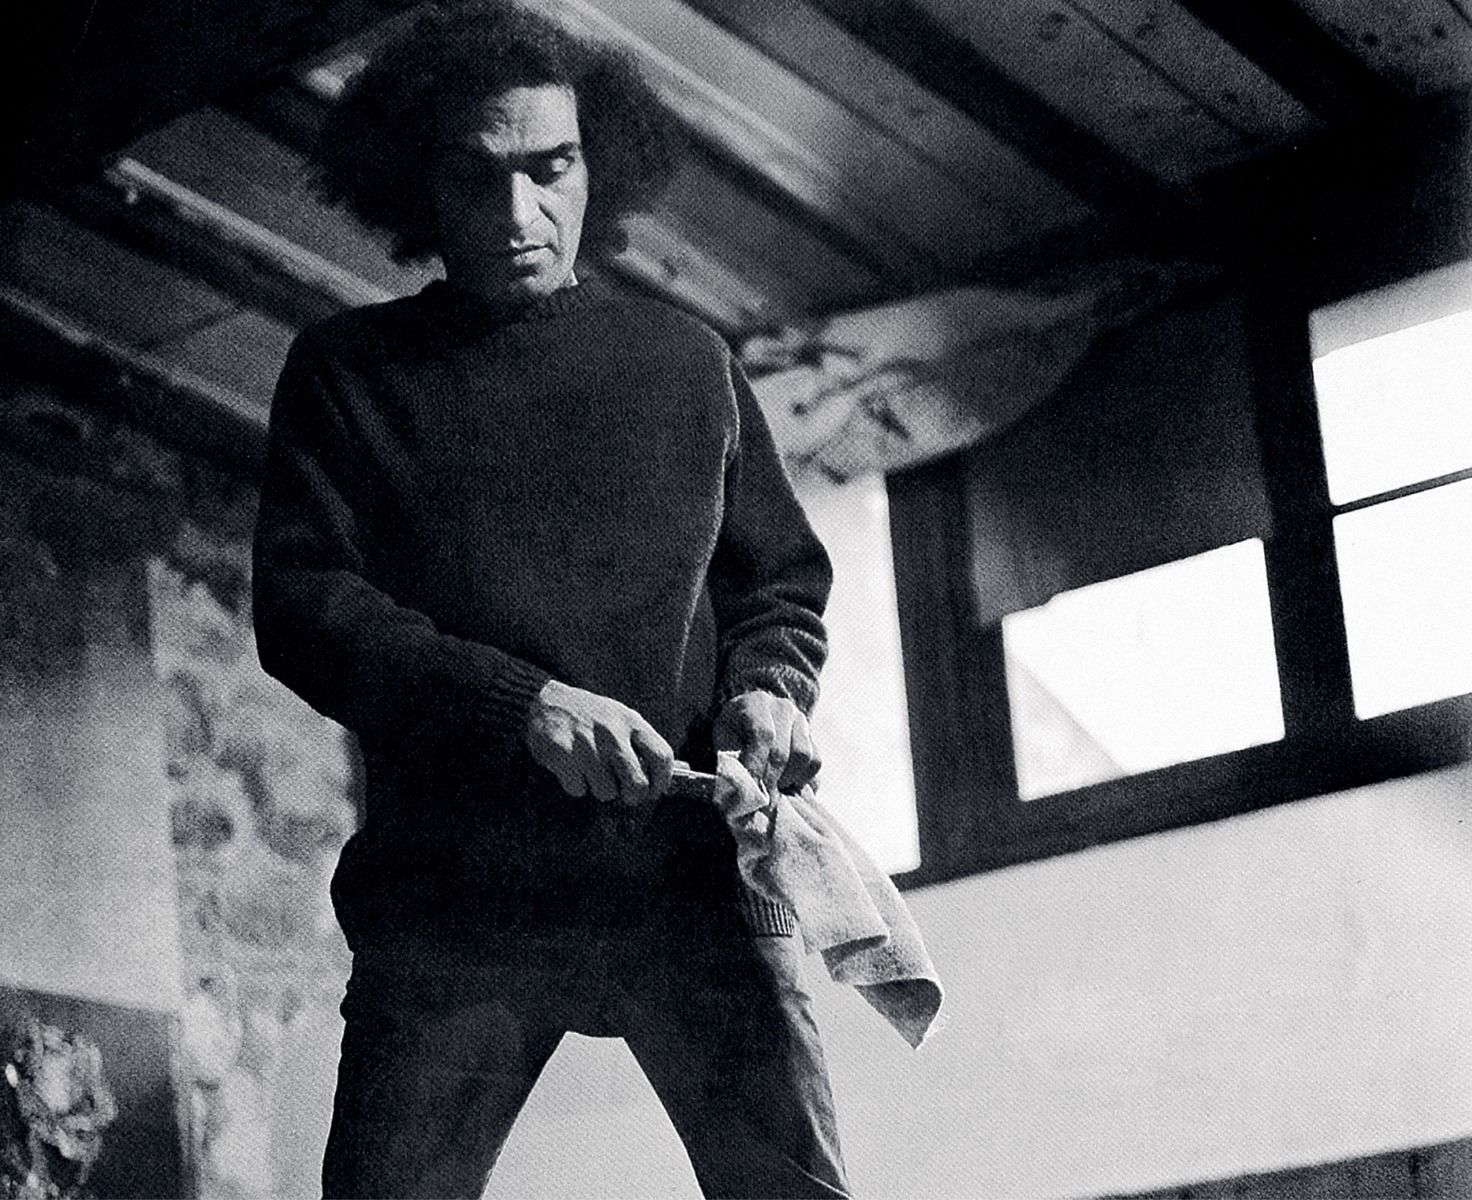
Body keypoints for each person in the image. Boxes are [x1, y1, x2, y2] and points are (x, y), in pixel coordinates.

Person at [250, 4, 848, 1197]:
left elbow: (776, 589)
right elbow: (304, 608)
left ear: (596, 166)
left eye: (550, 168)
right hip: (454, 902)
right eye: (477, 177)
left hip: (687, 882)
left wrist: (767, 695)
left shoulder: (687, 363)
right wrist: (518, 707)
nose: (518, 213)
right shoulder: (346, 374)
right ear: (419, 185)